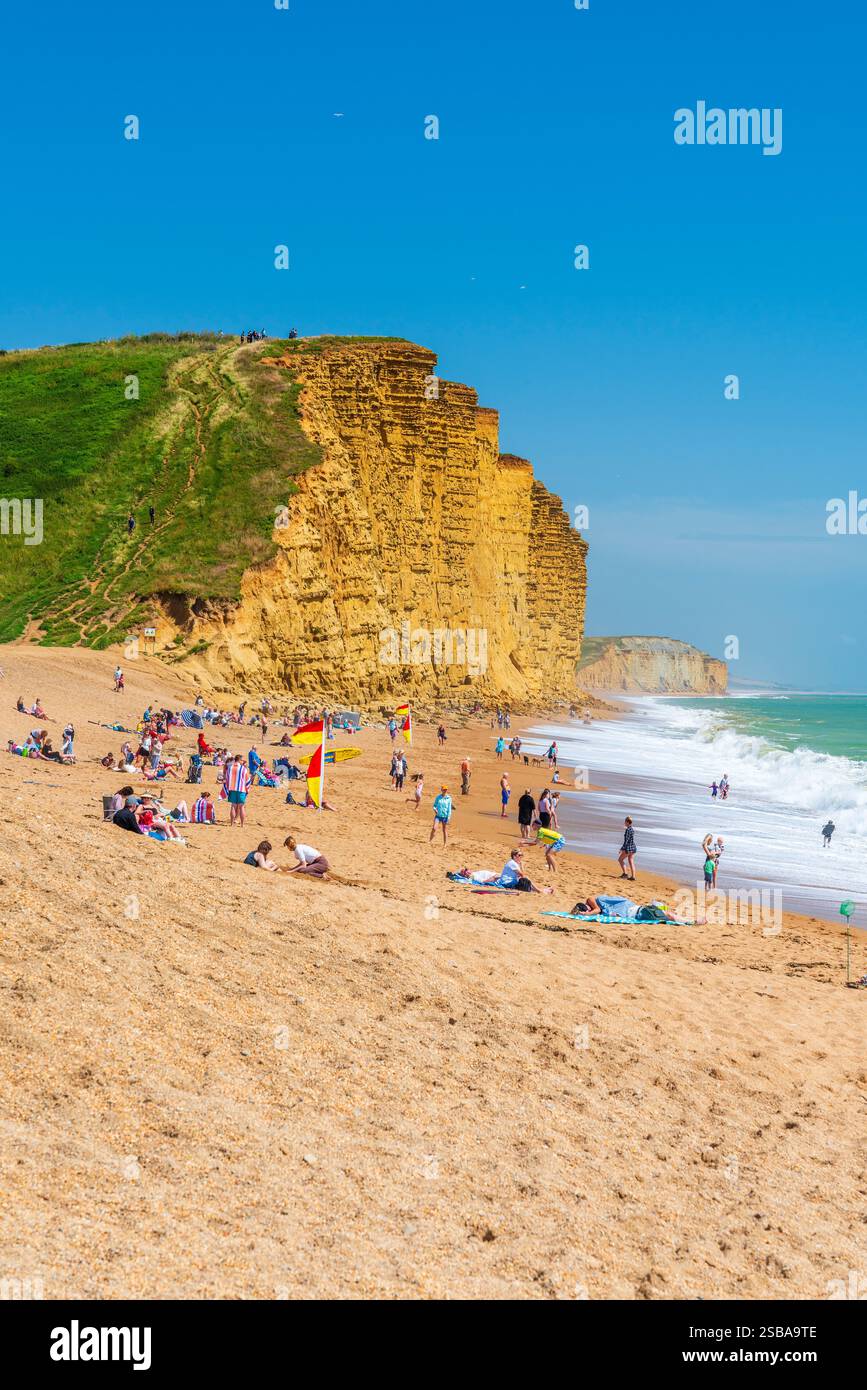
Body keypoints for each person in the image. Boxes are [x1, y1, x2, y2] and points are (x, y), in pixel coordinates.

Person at [224, 754, 251, 827]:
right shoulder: (243, 769)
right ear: (239, 760)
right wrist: (247, 789)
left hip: (232, 788)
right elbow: (248, 780)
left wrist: (227, 788)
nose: (243, 762)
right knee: (241, 807)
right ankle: (242, 824)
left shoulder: (230, 768)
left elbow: (227, 779)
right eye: (242, 760)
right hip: (241, 789)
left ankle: (232, 824)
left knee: (233, 806)